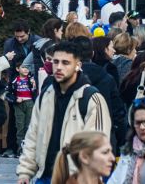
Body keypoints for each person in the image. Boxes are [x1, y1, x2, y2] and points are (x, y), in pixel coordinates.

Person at [16, 41, 111, 184]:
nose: (59, 67)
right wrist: (25, 172)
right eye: (56, 62)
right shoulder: (46, 95)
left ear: (78, 65)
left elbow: (98, 146)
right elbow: (33, 136)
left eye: (66, 63)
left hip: (75, 178)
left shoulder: (91, 98)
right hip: (45, 176)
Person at [8, 63, 36, 157]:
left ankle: (28, 151)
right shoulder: (14, 80)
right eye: (23, 67)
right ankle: (20, 150)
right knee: (20, 127)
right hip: (19, 104)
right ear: (17, 68)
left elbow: (36, 92)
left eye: (27, 67)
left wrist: (34, 85)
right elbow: (9, 93)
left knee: (29, 126)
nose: (26, 69)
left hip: (30, 103)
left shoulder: (32, 79)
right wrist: (15, 99)